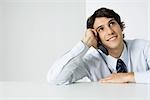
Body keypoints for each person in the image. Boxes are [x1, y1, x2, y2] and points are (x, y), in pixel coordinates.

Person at [47, 7, 150, 85]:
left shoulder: (143, 47)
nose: (110, 31)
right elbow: (55, 79)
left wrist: (128, 77)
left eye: (112, 23)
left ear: (121, 27)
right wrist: (85, 44)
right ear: (96, 37)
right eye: (101, 29)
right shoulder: (91, 61)